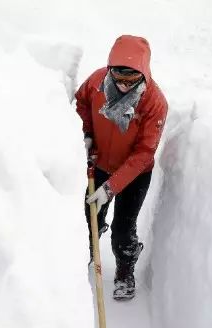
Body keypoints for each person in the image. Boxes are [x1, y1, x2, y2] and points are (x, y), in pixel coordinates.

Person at [75, 35, 168, 301]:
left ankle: (125, 271)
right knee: (89, 215)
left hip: (135, 173)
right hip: (100, 162)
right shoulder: (96, 83)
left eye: (131, 81)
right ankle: (89, 254)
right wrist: (87, 133)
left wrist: (111, 187)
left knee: (123, 228)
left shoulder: (154, 102)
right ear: (109, 69)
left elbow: (144, 152)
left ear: (144, 74)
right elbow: (81, 104)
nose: (124, 86)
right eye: (118, 78)